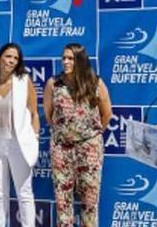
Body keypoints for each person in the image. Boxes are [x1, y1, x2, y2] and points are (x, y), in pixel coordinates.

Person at [43, 43, 113, 227]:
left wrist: (90, 136)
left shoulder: (95, 83)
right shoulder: (53, 84)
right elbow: (49, 114)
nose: (65, 62)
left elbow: (107, 114)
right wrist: (64, 133)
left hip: (89, 149)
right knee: (62, 200)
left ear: (80, 60)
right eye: (64, 58)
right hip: (61, 149)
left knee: (90, 201)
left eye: (70, 58)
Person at [0, 42, 40, 227]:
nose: (11, 60)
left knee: (24, 193)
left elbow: (34, 112)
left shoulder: (23, 81)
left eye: (15, 58)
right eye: (8, 56)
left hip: (18, 144)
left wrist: (34, 139)